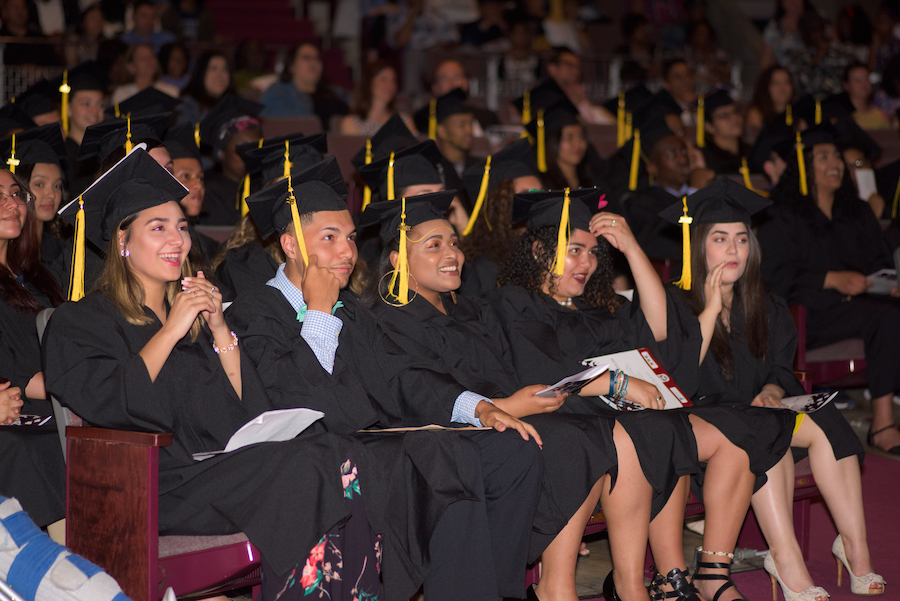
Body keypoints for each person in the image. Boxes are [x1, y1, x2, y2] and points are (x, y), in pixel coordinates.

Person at [44, 149, 383, 600]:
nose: (178, 240)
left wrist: (220, 329)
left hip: (218, 471)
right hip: (153, 485)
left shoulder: (198, 320)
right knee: (308, 468)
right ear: (122, 242)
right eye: (159, 227)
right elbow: (112, 402)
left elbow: (249, 410)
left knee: (335, 450)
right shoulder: (81, 322)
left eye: (182, 227)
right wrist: (172, 328)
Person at [228, 159, 546, 601]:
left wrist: (479, 407)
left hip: (376, 442)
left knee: (512, 451)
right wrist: (319, 312)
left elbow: (403, 377)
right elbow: (302, 401)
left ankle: (496, 591)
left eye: (351, 239)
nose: (347, 252)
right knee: (445, 458)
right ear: (290, 244)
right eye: (329, 238)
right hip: (318, 457)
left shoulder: (352, 311)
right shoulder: (254, 312)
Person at [359, 190, 682, 601]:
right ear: (397, 260)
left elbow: (510, 372)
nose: (452, 253)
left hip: (500, 425)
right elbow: (413, 386)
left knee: (603, 432)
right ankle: (553, 586)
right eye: (434, 245)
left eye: (455, 242)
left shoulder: (466, 312)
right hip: (437, 440)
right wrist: (503, 407)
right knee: (567, 438)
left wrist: (526, 399)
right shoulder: (386, 320)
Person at [488, 189, 784, 601]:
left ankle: (635, 583)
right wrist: (618, 382)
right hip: (554, 418)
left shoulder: (596, 309)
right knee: (622, 436)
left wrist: (630, 248)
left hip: (606, 422)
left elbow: (661, 336)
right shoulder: (513, 303)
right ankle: (586, 586)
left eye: (594, 252)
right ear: (540, 251)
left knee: (669, 426)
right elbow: (538, 376)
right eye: (575, 250)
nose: (588, 263)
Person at [658, 178, 883, 599]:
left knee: (823, 416)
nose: (733, 250)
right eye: (720, 238)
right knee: (766, 434)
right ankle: (787, 559)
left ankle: (855, 548)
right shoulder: (672, 303)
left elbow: (781, 368)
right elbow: (677, 383)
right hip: (707, 439)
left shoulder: (763, 302)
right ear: (697, 246)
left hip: (756, 416)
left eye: (742, 239)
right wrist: (708, 309)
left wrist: (772, 390)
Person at [759, 125, 900, 455]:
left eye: (837, 156)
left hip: (860, 309)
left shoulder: (858, 212)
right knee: (886, 318)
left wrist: (888, 283)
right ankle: (882, 424)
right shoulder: (782, 215)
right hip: (807, 316)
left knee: (889, 311)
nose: (835, 162)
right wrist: (831, 279)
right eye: (823, 157)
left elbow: (880, 261)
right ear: (804, 166)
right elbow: (773, 276)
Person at [0, 167, 66, 538]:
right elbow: (17, 380)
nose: (12, 203)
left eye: (15, 194)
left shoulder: (41, 277)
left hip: (57, 406)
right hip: (30, 413)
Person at [458, 138, 542, 296]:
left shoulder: (550, 250)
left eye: (540, 194)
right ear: (501, 206)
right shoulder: (483, 268)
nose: (537, 203)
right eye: (526, 196)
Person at [198, 95, 264, 226]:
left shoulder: (265, 187)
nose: (250, 153)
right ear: (222, 153)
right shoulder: (207, 193)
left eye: (256, 147)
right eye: (242, 147)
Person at [259, 42, 350, 127]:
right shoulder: (277, 92)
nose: (313, 63)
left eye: (317, 58)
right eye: (306, 58)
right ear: (291, 65)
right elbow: (270, 124)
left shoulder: (335, 91)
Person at [57, 62, 110, 196]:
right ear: (68, 109)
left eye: (100, 105)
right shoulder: (60, 157)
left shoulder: (106, 153)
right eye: (86, 104)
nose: (94, 111)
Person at [413, 88, 477, 177]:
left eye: (471, 124)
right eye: (461, 125)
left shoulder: (481, 168)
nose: (469, 130)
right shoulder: (430, 170)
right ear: (442, 131)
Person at [339, 60, 414, 136]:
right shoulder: (352, 123)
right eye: (383, 79)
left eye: (393, 80)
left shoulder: (404, 120)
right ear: (368, 83)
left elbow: (416, 147)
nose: (390, 85)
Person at [545, 48, 614, 125]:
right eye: (569, 65)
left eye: (577, 67)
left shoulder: (580, 97)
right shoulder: (544, 98)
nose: (575, 71)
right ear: (552, 68)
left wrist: (580, 104)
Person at [176, 51, 236, 126]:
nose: (219, 76)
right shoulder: (187, 106)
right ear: (201, 72)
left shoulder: (235, 104)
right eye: (213, 69)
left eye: (224, 69)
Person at [110, 43, 180, 105]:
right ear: (131, 67)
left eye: (152, 56)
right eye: (142, 58)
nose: (149, 61)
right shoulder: (122, 93)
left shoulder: (170, 92)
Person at [699, 89, 748, 176]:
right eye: (723, 115)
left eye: (735, 111)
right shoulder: (706, 159)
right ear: (709, 126)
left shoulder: (751, 153)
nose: (734, 117)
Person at [746, 66, 795, 140]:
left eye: (786, 82)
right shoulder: (757, 113)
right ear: (766, 87)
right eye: (776, 83)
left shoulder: (796, 111)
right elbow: (757, 146)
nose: (782, 88)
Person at [760, 0, 809, 70]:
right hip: (786, 77)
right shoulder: (774, 28)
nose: (794, 2)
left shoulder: (818, 23)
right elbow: (766, 63)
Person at [841, 62, 890, 130]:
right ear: (846, 85)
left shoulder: (879, 114)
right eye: (858, 80)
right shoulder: (840, 115)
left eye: (866, 79)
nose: (863, 84)